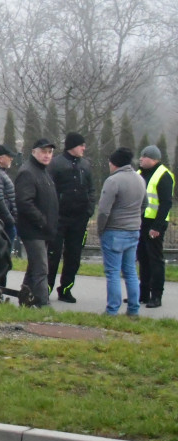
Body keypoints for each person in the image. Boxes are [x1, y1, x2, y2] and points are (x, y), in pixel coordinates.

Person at [47, 132, 95, 303]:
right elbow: (49, 189)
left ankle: (66, 289)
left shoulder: (85, 165)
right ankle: (46, 288)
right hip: (59, 219)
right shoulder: (56, 164)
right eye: (81, 145)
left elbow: (91, 189)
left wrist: (89, 209)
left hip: (79, 219)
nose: (84, 148)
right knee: (52, 254)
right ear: (72, 146)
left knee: (74, 257)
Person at [97, 147, 146, 317]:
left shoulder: (113, 181)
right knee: (131, 272)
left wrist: (100, 229)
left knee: (112, 272)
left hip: (114, 231)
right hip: (133, 230)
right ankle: (134, 310)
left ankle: (112, 310)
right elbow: (144, 205)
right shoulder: (140, 179)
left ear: (114, 163)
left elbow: (103, 210)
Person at [14, 138, 59, 307]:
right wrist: (42, 221)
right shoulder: (27, 172)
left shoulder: (44, 172)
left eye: (49, 152)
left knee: (34, 267)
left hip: (44, 229)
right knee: (41, 269)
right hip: (33, 230)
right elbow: (24, 202)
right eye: (43, 151)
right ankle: (43, 304)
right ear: (34, 152)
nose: (47, 155)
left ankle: (25, 300)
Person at [137, 145, 173, 308]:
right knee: (143, 258)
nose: (141, 159)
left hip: (154, 223)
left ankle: (156, 296)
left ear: (153, 159)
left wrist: (157, 227)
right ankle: (143, 294)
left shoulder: (163, 175)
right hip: (140, 221)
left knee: (155, 260)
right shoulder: (139, 174)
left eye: (144, 157)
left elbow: (166, 203)